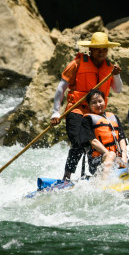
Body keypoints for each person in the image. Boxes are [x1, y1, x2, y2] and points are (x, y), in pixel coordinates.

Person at [50, 31, 123, 180]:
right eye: (98, 49)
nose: (101, 52)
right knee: (78, 143)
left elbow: (118, 89)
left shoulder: (110, 68)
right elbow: (60, 89)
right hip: (76, 110)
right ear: (90, 50)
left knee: (96, 146)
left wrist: (116, 75)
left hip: (96, 113)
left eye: (104, 49)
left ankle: (94, 175)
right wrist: (56, 112)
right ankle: (67, 176)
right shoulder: (76, 64)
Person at [79, 89, 128, 178]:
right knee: (111, 154)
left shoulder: (113, 117)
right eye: (94, 103)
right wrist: (110, 155)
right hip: (97, 161)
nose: (98, 105)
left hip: (118, 159)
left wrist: (124, 156)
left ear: (104, 101)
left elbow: (122, 138)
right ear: (89, 105)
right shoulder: (87, 119)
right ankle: (104, 184)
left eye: (100, 101)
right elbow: (93, 141)